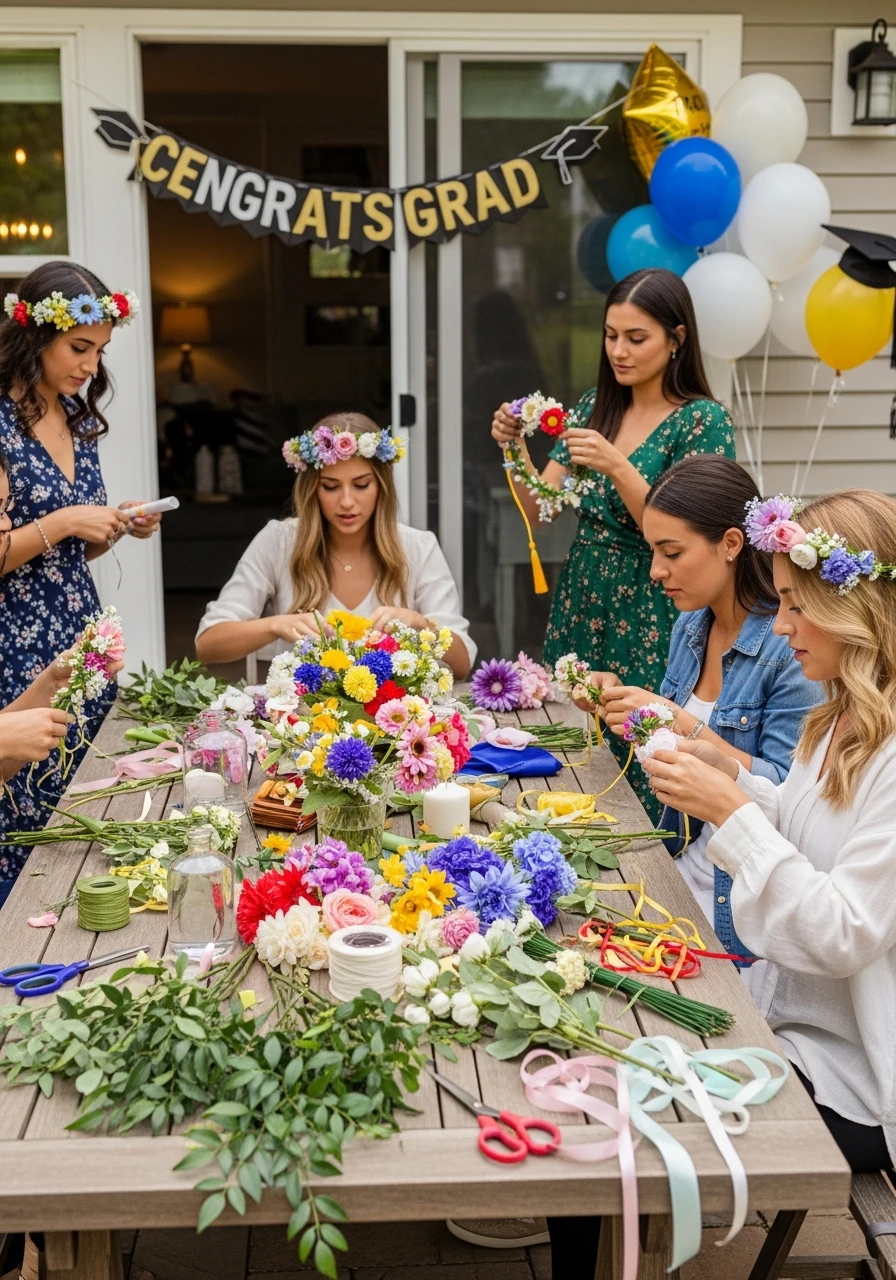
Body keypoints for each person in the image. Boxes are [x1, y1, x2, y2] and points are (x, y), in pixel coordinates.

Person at [644, 488, 896, 1177]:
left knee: (628, 1120)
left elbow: (845, 931)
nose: (781, 626)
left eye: (796, 604)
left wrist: (730, 811)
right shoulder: (840, 715)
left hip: (861, 1079)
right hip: (797, 1030)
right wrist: (726, 771)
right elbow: (802, 819)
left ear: (859, 608)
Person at [491, 267, 735, 820]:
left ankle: (658, 866)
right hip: (585, 587)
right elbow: (539, 510)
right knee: (573, 730)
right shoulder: (594, 406)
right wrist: (515, 451)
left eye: (636, 338)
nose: (618, 351)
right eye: (610, 335)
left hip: (653, 597)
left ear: (677, 339)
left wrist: (617, 464)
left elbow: (687, 527)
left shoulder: (701, 420)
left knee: (641, 736)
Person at [578, 455, 822, 956]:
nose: (655, 571)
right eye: (652, 551)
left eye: (671, 551)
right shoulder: (691, 627)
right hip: (677, 863)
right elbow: (673, 754)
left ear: (731, 543)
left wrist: (679, 722)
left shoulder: (791, 648)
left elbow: (789, 797)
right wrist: (621, 703)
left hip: (739, 906)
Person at [0, 263, 160, 867]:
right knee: (25, 810)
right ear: (36, 335)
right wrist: (69, 519)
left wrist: (112, 528)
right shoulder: (0, 423)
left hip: (79, 634)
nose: (91, 366)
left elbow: (68, 551)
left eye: (100, 351)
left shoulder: (77, 418)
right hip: (16, 644)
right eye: (79, 347)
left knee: (81, 805)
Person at [196, 411, 475, 678]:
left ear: (382, 486)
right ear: (312, 489)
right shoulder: (278, 542)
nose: (346, 502)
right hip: (297, 722)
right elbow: (208, 645)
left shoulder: (418, 547)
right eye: (330, 486)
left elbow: (462, 664)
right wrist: (276, 625)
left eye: (361, 485)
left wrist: (418, 624)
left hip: (394, 720)